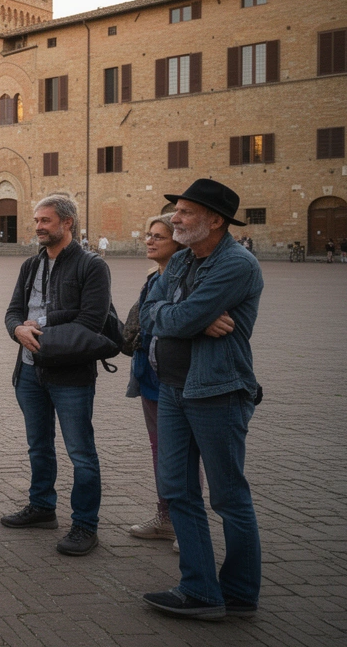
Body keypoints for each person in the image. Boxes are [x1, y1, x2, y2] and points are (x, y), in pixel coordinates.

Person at [140, 179, 264, 620]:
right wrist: (190, 319)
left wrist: (185, 318)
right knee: (179, 490)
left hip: (217, 393)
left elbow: (181, 315)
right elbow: (149, 311)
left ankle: (241, 593)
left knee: (228, 497)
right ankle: (200, 590)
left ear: (216, 220)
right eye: (177, 210)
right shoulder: (183, 259)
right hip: (173, 389)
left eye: (186, 212)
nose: (175, 218)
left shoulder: (237, 264)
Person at [2, 194, 111, 557]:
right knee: (39, 446)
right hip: (30, 371)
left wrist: (41, 325)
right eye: (36, 221)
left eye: (45, 221)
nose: (37, 227)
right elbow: (12, 312)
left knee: (81, 452)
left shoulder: (91, 265)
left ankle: (85, 525)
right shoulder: (30, 265)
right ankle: (42, 507)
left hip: (70, 375)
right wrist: (18, 329)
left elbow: (91, 320)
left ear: (67, 223)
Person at [124, 214, 184, 546]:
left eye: (158, 237)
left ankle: (185, 525)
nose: (150, 240)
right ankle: (165, 518)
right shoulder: (153, 277)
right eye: (148, 235)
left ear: (178, 243)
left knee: (181, 455)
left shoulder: (187, 280)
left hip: (174, 378)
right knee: (159, 450)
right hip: (149, 376)